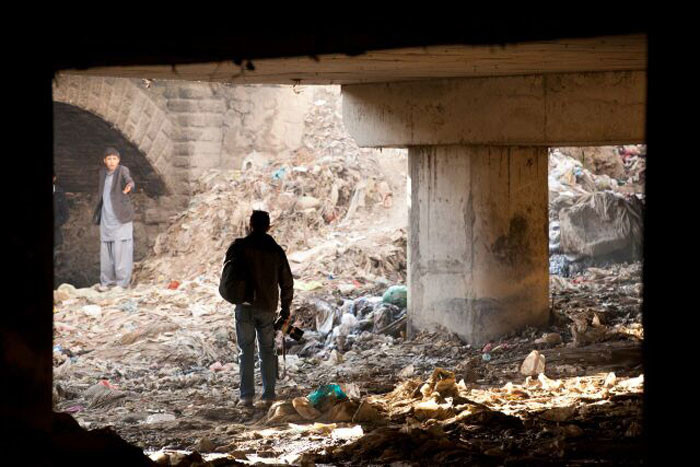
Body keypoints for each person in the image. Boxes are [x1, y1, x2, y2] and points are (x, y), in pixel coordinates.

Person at [225, 210, 294, 408]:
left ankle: (246, 396)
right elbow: (287, 283)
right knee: (267, 350)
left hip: (244, 307)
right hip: (267, 308)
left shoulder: (239, 247)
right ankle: (269, 395)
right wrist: (285, 309)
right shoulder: (276, 251)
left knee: (245, 351)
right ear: (268, 227)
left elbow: (227, 274)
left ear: (251, 225)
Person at [92, 147, 135, 290]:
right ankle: (107, 282)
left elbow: (129, 180)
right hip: (106, 216)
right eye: (109, 159)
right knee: (106, 249)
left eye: (114, 159)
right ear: (104, 160)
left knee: (121, 249)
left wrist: (129, 186)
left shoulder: (122, 170)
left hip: (120, 216)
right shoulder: (102, 173)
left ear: (119, 160)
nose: (112, 162)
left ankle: (122, 283)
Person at [53, 172, 69, 261]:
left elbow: (65, 215)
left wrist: (54, 224)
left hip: (55, 234)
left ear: (54, 178)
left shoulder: (59, 193)